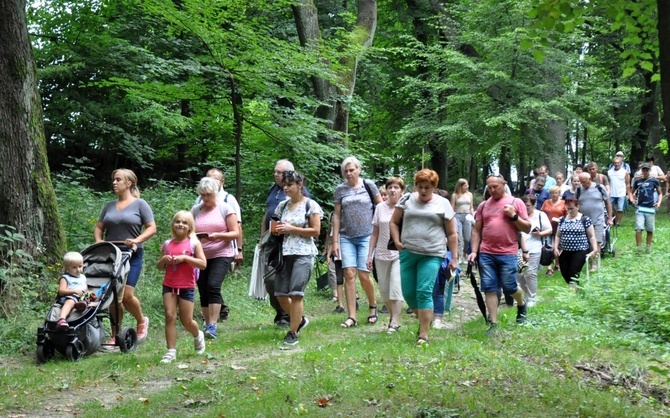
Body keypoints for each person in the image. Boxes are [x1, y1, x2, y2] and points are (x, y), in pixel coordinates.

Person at [390, 169, 458, 347]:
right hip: (408, 252)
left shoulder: (443, 204)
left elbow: (451, 233)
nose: (423, 191)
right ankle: (424, 321)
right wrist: (396, 240)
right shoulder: (406, 199)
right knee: (409, 294)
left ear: (434, 187)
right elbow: (394, 221)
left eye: (427, 187)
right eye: (419, 187)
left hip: (432, 253)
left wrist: (455, 257)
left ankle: (424, 335)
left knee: (424, 291)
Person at [94, 168, 156, 345]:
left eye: (118, 180)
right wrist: (99, 241)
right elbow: (99, 227)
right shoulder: (108, 205)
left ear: (128, 183)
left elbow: (151, 227)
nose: (114, 182)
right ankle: (116, 334)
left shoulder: (140, 204)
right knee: (113, 297)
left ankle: (141, 320)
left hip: (132, 254)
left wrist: (136, 240)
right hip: (111, 254)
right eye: (114, 179)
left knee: (127, 296)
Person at [468, 173, 531, 336]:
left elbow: (527, 228)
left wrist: (514, 216)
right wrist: (474, 251)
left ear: (504, 184)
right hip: (486, 252)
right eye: (489, 187)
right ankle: (494, 323)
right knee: (489, 287)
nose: (492, 189)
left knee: (509, 286)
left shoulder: (515, 202)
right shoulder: (483, 206)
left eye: (495, 186)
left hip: (508, 252)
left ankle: (521, 303)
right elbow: (477, 230)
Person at [273, 171, 322, 347]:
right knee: (279, 293)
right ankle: (299, 320)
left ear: (299, 185)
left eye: (290, 185)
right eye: (284, 185)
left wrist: (292, 228)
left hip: (303, 253)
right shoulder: (282, 206)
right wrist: (277, 230)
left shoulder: (311, 205)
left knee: (296, 293)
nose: (286, 188)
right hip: (283, 254)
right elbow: (275, 228)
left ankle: (293, 332)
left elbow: (316, 231)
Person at [332, 156, 382, 328]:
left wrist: (381, 232)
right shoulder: (340, 190)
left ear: (358, 170)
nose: (349, 173)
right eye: (346, 171)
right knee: (349, 274)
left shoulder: (369, 185)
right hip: (346, 236)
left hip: (367, 235)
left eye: (352, 170)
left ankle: (372, 306)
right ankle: (351, 315)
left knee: (364, 274)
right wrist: (335, 241)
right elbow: (337, 215)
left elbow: (381, 208)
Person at [261, 159, 309, 327]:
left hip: (294, 246)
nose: (276, 175)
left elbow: (309, 222)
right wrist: (263, 237)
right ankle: (284, 313)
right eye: (275, 171)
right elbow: (267, 214)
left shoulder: (304, 196)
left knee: (291, 288)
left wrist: (290, 229)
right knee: (270, 281)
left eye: (280, 172)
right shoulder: (273, 190)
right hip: (273, 244)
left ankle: (289, 318)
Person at [192, 177, 240, 339]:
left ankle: (213, 324)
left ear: (216, 193)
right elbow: (188, 232)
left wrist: (218, 235)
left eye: (209, 195)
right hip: (200, 255)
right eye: (203, 195)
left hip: (222, 253)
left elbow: (235, 232)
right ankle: (207, 323)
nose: (205, 198)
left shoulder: (225, 208)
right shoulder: (196, 210)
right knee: (203, 289)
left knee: (213, 286)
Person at [157, 211, 207, 363]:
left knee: (187, 321)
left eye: (185, 222)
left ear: (190, 227)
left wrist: (185, 258)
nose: (180, 224)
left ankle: (198, 335)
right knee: (170, 316)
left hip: (186, 286)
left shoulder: (193, 243)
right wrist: (164, 259)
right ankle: (171, 351)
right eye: (177, 221)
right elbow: (159, 267)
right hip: (169, 285)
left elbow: (203, 264)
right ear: (173, 225)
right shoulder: (167, 244)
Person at [367, 177, 405, 335]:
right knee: (384, 291)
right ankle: (392, 316)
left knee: (396, 287)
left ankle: (395, 322)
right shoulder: (380, 208)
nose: (393, 190)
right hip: (381, 253)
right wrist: (370, 255)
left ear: (402, 191)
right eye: (390, 187)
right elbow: (374, 233)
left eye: (396, 187)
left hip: (400, 253)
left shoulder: (405, 208)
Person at [553, 197, 599, 288]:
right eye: (568, 209)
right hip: (565, 250)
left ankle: (573, 292)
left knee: (573, 272)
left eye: (572, 208)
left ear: (578, 207)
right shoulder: (562, 220)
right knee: (564, 272)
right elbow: (558, 235)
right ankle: (575, 288)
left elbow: (591, 236)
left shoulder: (584, 219)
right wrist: (555, 247)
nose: (570, 211)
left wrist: (595, 249)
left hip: (580, 250)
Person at [518, 195, 552, 306]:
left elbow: (549, 230)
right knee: (518, 275)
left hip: (535, 247)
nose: (525, 208)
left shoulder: (540, 215)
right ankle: (527, 294)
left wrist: (539, 234)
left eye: (528, 205)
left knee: (530, 273)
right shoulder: (517, 215)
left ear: (533, 205)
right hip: (518, 249)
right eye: (523, 205)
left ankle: (531, 297)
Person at [576, 172, 613, 273]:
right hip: (584, 221)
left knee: (596, 242)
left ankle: (595, 264)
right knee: (587, 243)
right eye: (581, 182)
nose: (582, 184)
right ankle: (591, 262)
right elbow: (576, 204)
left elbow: (608, 204)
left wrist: (609, 218)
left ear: (589, 179)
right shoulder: (579, 189)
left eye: (584, 182)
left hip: (598, 219)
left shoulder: (599, 187)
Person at [629, 163, 663, 253]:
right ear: (641, 170)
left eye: (646, 170)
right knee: (639, 228)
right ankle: (639, 248)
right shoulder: (637, 181)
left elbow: (660, 193)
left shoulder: (654, 181)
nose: (645, 171)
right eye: (643, 170)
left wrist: (659, 203)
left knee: (650, 229)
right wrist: (632, 200)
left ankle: (648, 248)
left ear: (649, 170)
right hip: (640, 208)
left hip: (650, 208)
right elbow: (631, 192)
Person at [55, 252, 89, 330]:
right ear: (66, 268)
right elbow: (61, 291)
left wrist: (88, 293)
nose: (78, 270)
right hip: (70, 297)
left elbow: (86, 288)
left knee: (88, 302)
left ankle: (81, 305)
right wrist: (74, 291)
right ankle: (62, 319)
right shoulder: (65, 278)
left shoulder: (83, 277)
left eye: (80, 266)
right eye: (74, 267)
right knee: (71, 301)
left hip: (82, 297)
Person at [540, 186, 567, 276]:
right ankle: (549, 267)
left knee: (558, 247)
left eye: (555, 193)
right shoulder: (546, 202)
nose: (554, 195)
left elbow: (567, 215)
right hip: (548, 228)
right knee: (549, 247)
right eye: (552, 193)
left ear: (559, 193)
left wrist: (561, 219)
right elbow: (541, 213)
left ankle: (557, 264)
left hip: (559, 227)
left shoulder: (563, 203)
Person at [323, 212, 344, 312]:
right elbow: (331, 240)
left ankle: (353, 298)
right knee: (338, 278)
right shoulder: (334, 227)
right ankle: (339, 303)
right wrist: (328, 255)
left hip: (348, 254)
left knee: (349, 276)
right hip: (337, 254)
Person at [451, 178, 475, 261]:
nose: (467, 187)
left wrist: (473, 216)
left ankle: (465, 253)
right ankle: (459, 255)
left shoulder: (470, 195)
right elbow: (452, 208)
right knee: (459, 237)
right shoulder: (455, 195)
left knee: (467, 237)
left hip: (467, 216)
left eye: (467, 185)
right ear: (460, 186)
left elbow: (471, 207)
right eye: (465, 185)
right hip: (457, 215)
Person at [608, 156, 630, 227]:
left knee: (620, 209)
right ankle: (613, 219)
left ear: (621, 163)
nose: (616, 164)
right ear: (613, 164)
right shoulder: (609, 172)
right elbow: (607, 183)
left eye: (618, 163)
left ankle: (618, 222)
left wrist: (628, 193)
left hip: (621, 193)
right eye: (615, 163)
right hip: (612, 193)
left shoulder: (624, 172)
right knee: (610, 207)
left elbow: (627, 183)